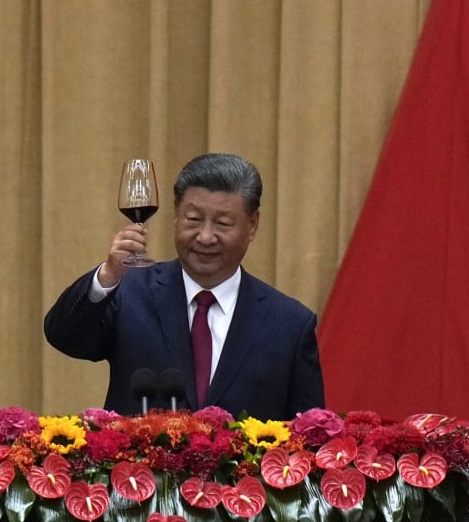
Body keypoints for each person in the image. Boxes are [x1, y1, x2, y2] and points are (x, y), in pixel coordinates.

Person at [44, 152, 324, 420]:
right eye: (193, 220)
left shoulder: (289, 325)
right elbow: (65, 337)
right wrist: (107, 275)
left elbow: (309, 435)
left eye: (223, 223)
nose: (205, 236)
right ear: (176, 216)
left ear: (252, 225)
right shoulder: (130, 292)